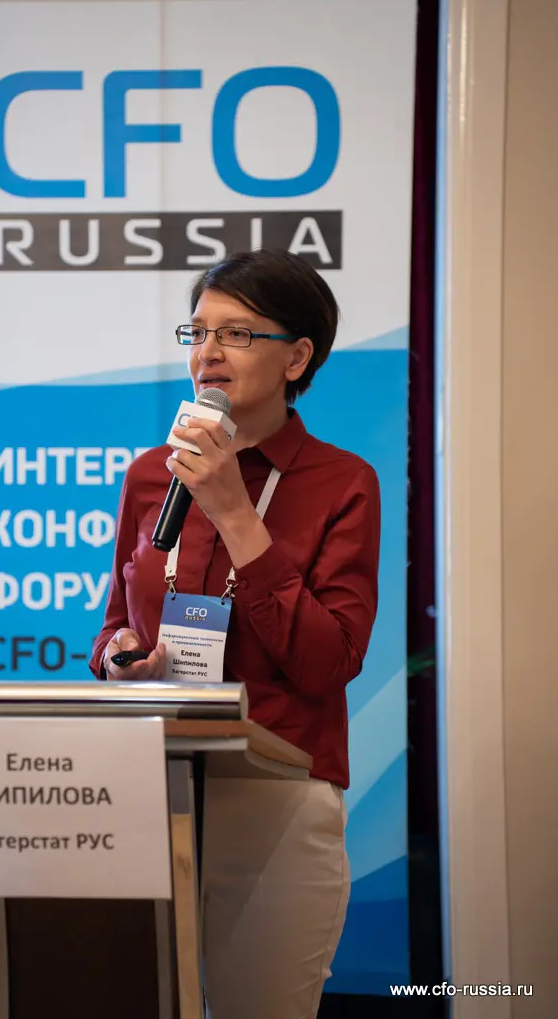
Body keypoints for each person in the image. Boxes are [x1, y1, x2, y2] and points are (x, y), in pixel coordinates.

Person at [90, 248, 381, 1019]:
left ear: (297, 357)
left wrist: (233, 511)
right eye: (198, 332)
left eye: (237, 333)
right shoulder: (152, 473)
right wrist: (119, 658)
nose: (207, 352)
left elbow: (327, 663)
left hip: (275, 795)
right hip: (146, 786)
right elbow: (116, 623)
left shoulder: (342, 482)